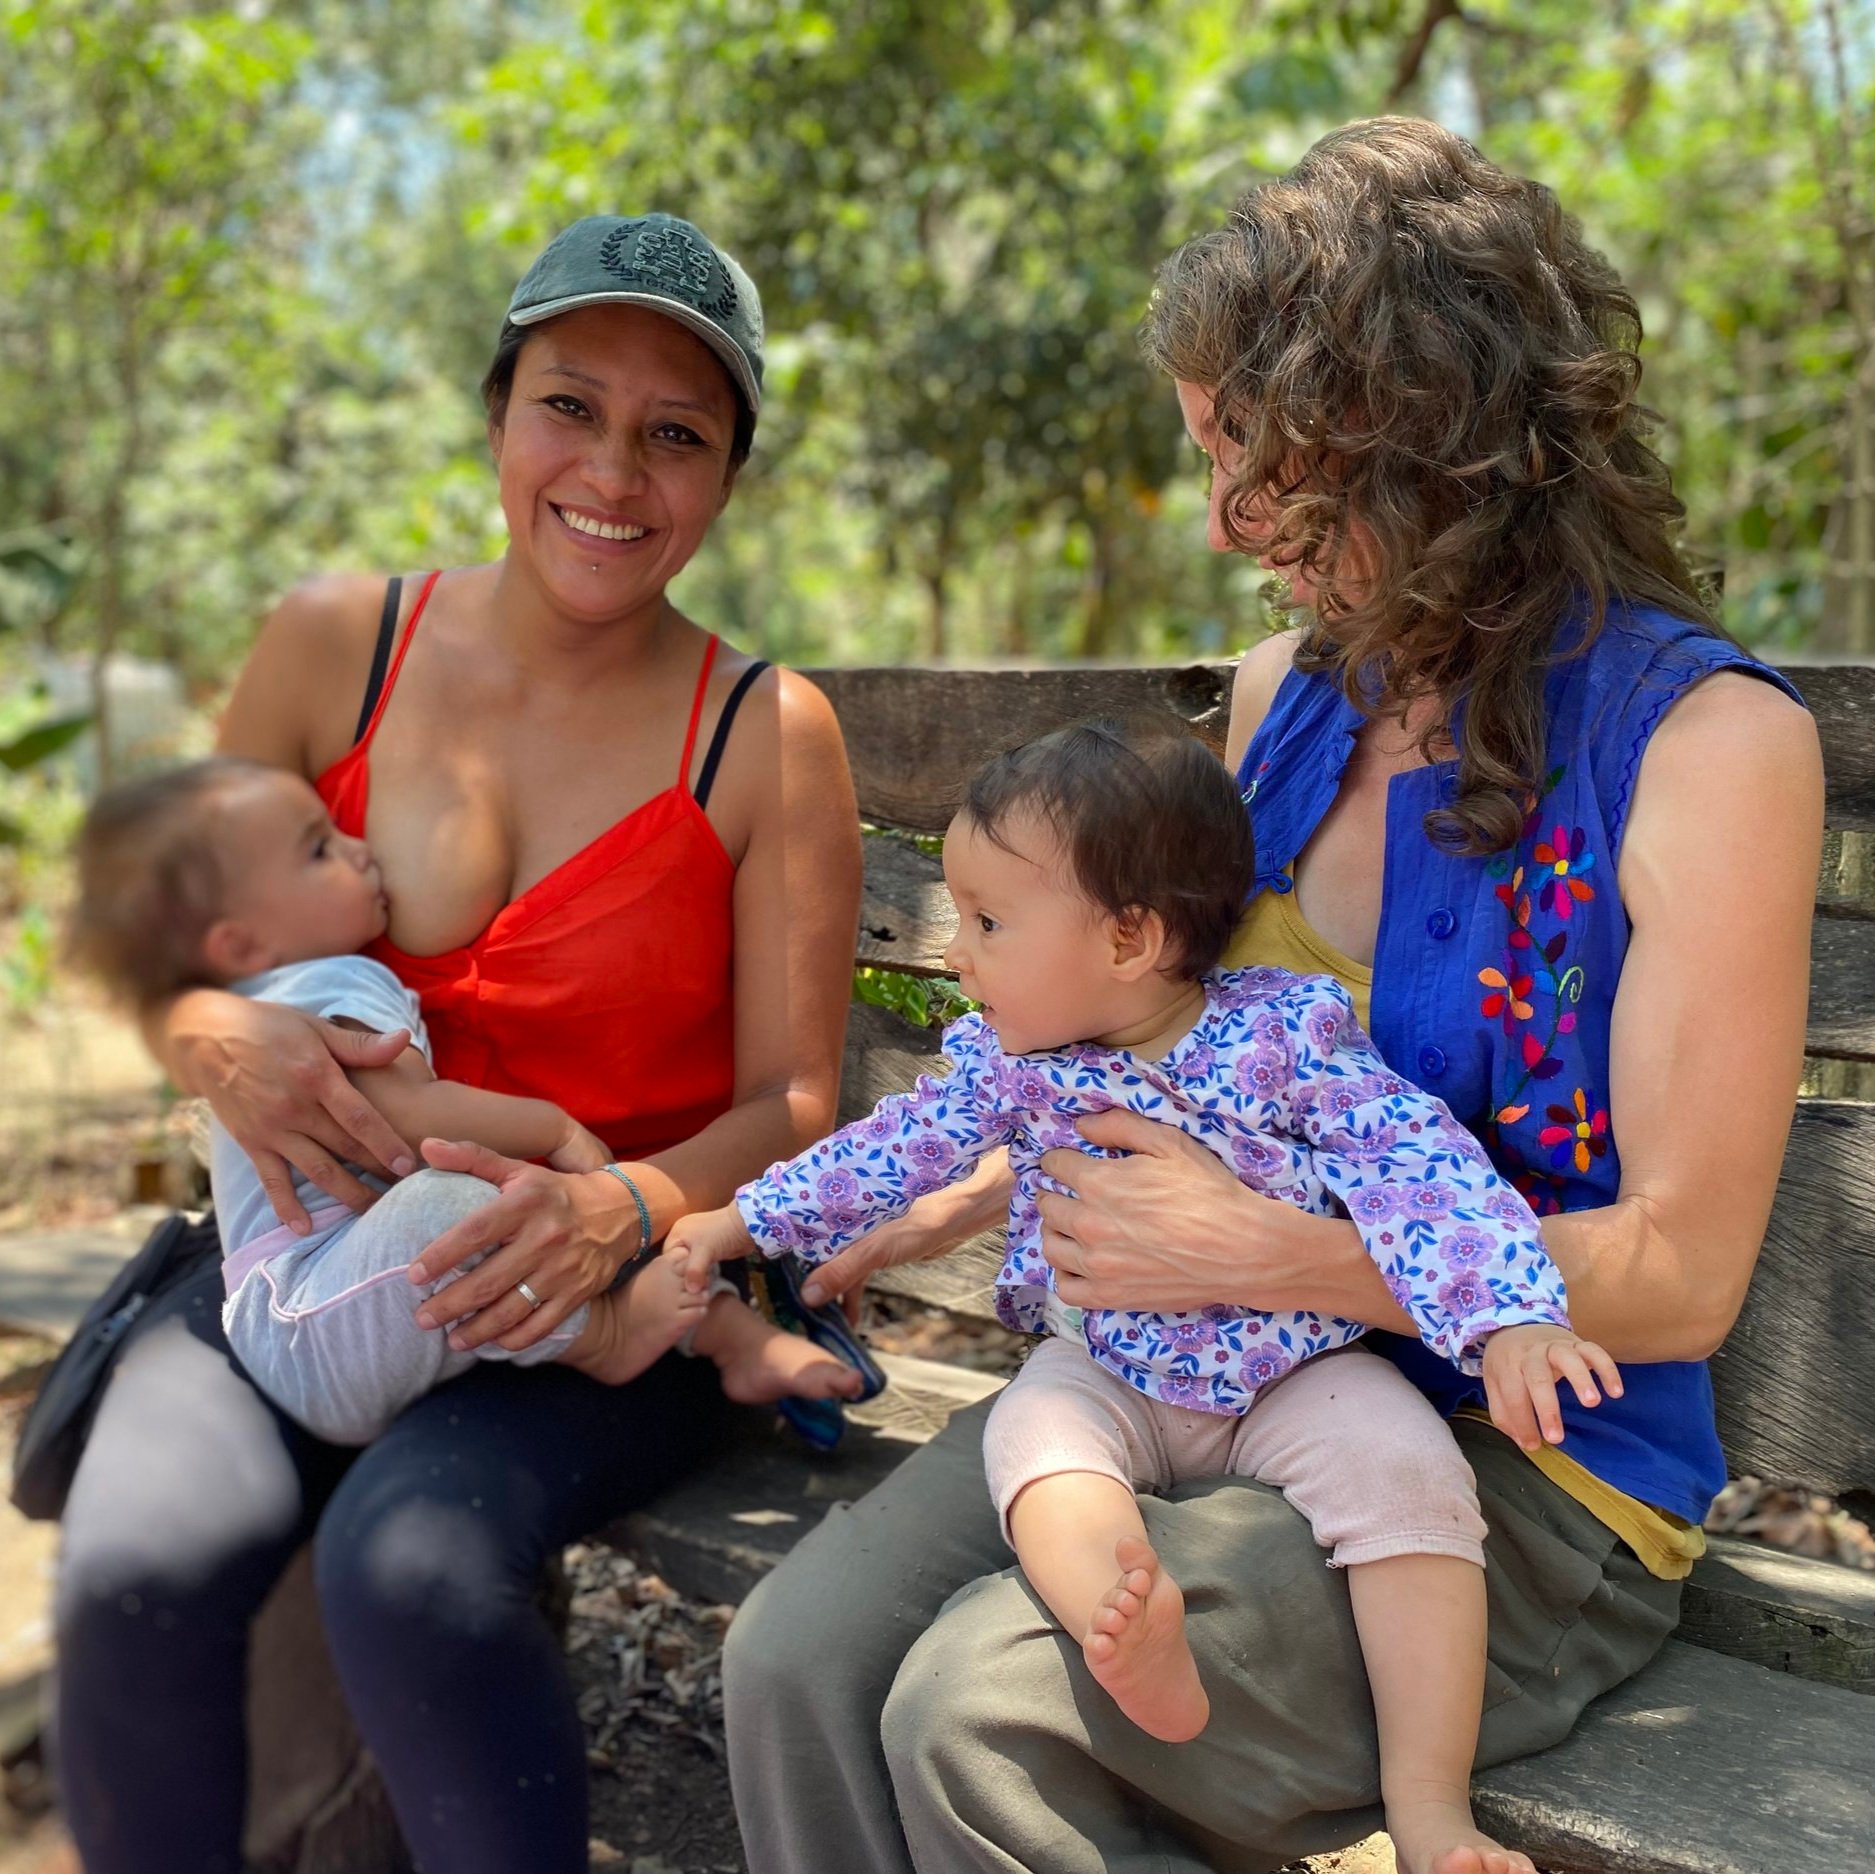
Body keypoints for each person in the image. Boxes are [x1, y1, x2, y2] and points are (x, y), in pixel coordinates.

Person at [721, 119, 1823, 1874]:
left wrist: (1265, 1252)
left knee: (977, 1716)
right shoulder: (1278, 704)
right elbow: (1177, 1064)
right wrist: (943, 1197)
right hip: (1185, 1374)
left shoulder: (1704, 745)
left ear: (1430, 429)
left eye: (1268, 467)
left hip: (1516, 1469)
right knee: (794, 1657)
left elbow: (1681, 1274)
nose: (1233, 525)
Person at [53, 212, 862, 1873]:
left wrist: (614, 1207)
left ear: (724, 479)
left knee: (407, 1563)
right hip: (305, 1261)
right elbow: (170, 954)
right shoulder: (332, 643)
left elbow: (793, 1098)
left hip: (591, 1290)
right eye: (571, 405)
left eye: (678, 434)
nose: (613, 473)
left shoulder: (767, 735)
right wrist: (214, 1037)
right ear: (498, 414)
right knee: (136, 1548)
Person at [675, 714, 1619, 1874]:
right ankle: (1129, 1619)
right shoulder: (1010, 1062)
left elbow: (1416, 1166)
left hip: (1294, 1371)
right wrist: (737, 1222)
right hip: (1106, 1364)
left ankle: (1430, 1805)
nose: (959, 952)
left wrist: (1508, 1313)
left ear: (1129, 937)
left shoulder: (1283, 1033)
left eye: (987, 922)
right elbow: (883, 1154)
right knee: (1041, 1445)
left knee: (1411, 1476)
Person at [67, 756, 859, 1446]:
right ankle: (611, 1336)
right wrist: (548, 1125)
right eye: (320, 851)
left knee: (546, 1205)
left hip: (363, 1304)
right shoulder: (324, 987)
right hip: (305, 1319)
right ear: (239, 944)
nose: (357, 849)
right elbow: (410, 1124)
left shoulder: (279, 999)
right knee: (463, 1202)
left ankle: (725, 1335)